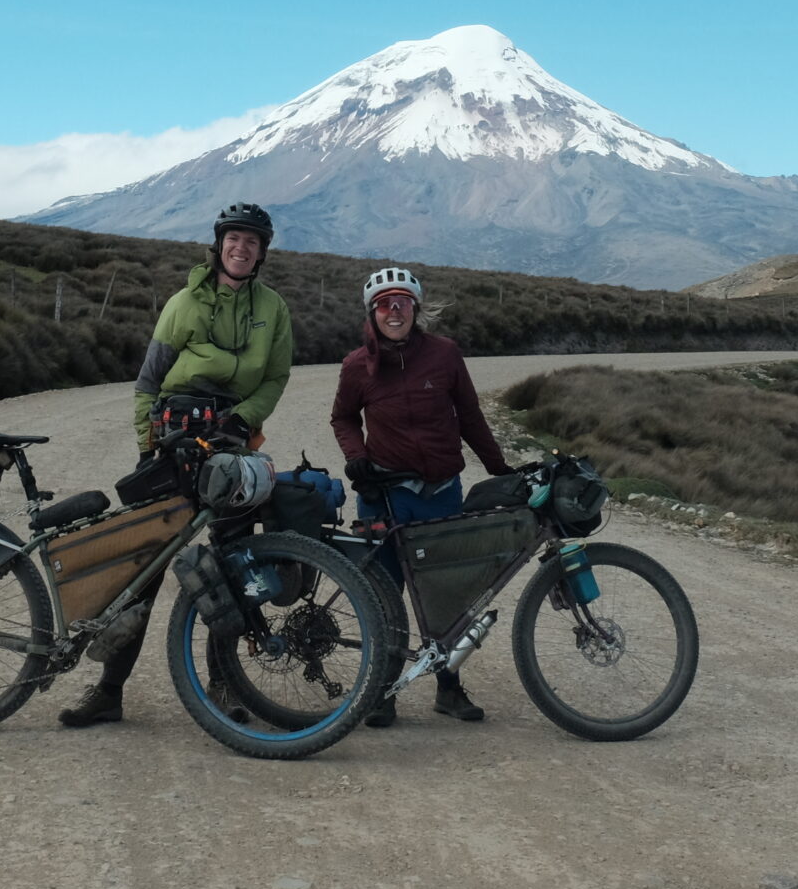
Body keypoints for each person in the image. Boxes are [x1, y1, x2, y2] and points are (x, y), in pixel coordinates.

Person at [58, 204, 297, 729]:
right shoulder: (184, 304)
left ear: (262, 252)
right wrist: (149, 448)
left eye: (252, 242)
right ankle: (109, 690)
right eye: (234, 239)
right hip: (173, 443)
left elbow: (275, 378)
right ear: (219, 245)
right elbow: (148, 383)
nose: (242, 248)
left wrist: (243, 419)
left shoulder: (272, 308)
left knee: (233, 564)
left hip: (230, 446)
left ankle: (222, 685)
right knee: (142, 568)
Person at [330, 264, 512, 727]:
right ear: (372, 313)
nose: (395, 312)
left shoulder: (445, 355)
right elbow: (344, 418)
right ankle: (384, 692)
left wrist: (500, 469)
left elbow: (470, 416)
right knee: (385, 595)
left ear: (416, 309)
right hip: (386, 497)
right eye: (385, 305)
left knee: (445, 597)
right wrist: (356, 459)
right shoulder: (356, 366)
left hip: (440, 494)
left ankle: (448, 690)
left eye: (403, 304)